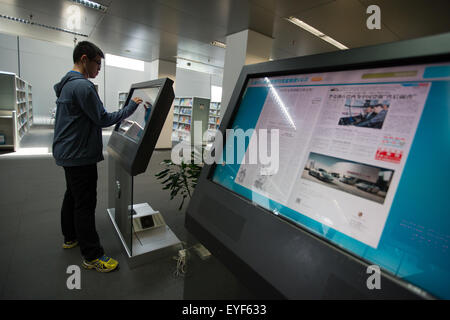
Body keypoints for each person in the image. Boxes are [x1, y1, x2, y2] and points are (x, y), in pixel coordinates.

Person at [53, 41, 143, 272]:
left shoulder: (66, 84)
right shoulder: (83, 87)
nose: (98, 70)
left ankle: (70, 236)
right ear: (84, 59)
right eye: (97, 64)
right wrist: (130, 108)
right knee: (85, 203)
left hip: (67, 151)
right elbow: (103, 118)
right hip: (79, 154)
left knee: (72, 195)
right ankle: (92, 255)